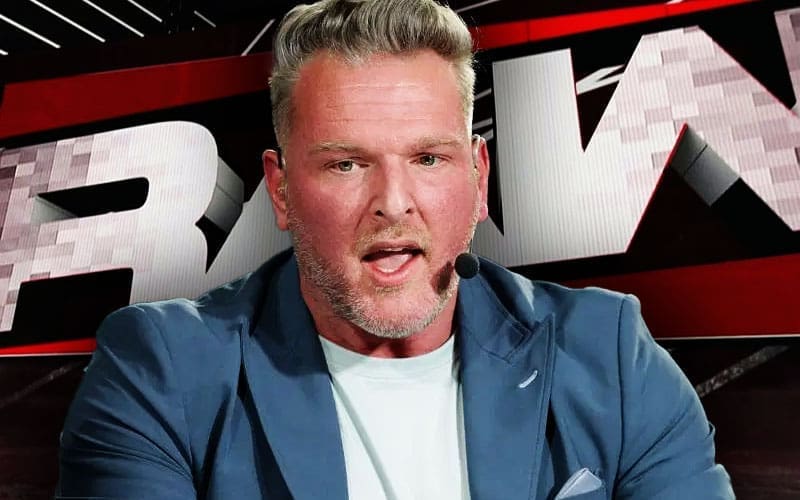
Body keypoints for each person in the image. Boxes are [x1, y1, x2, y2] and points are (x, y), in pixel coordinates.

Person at [57, 0, 735, 498]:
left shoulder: (609, 354)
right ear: (282, 191)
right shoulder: (160, 371)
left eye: (429, 158)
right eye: (346, 164)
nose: (393, 201)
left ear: (478, 179)